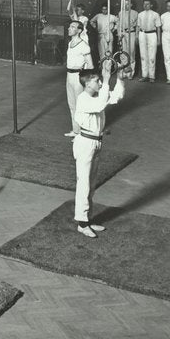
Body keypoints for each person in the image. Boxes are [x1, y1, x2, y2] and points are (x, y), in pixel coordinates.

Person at [66, 59, 125, 238]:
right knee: (84, 184)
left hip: (96, 142)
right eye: (96, 80)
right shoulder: (84, 99)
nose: (100, 82)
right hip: (85, 143)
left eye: (100, 80)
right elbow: (101, 104)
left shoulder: (96, 96)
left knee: (91, 184)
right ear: (87, 83)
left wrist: (120, 78)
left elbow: (117, 97)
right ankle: (82, 223)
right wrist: (107, 81)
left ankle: (88, 219)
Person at [64, 19, 94, 119]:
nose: (69, 28)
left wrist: (86, 82)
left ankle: (83, 132)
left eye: (73, 27)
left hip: (78, 77)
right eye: (69, 26)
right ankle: (75, 131)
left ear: (79, 30)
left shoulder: (84, 46)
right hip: (69, 76)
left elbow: (90, 66)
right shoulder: (70, 43)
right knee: (71, 105)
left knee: (80, 105)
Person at [136, 0, 162, 82]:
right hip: (142, 34)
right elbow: (138, 27)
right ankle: (144, 75)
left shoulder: (155, 14)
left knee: (152, 56)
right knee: (143, 56)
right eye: (144, 4)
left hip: (152, 34)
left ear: (151, 5)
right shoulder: (140, 14)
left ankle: (152, 76)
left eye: (147, 4)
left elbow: (158, 27)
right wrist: (137, 36)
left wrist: (158, 39)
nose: (145, 5)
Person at [116, 0, 139, 80]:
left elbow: (137, 26)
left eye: (128, 4)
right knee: (123, 53)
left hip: (131, 33)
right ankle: (123, 72)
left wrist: (136, 36)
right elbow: (118, 25)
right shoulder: (120, 13)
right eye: (124, 4)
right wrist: (119, 35)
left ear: (131, 5)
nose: (126, 6)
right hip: (123, 34)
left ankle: (130, 74)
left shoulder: (135, 13)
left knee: (131, 53)